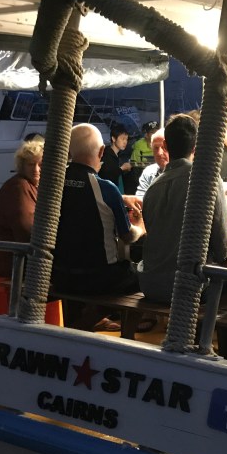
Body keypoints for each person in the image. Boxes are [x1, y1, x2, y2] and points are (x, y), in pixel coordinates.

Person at [51, 124, 144, 328]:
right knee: (144, 276)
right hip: (99, 277)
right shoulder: (106, 188)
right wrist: (140, 226)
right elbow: (127, 236)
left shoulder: (53, 184)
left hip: (60, 275)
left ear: (69, 152)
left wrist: (121, 198)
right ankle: (125, 333)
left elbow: (80, 196)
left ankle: (83, 322)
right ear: (101, 151)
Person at [138, 114, 227, 303]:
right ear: (196, 148)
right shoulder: (207, 179)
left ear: (165, 146)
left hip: (149, 284)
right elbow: (222, 247)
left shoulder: (152, 188)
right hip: (187, 288)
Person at [0, 139, 43, 277]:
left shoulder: (31, 187)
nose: (36, 170)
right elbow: (26, 230)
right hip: (10, 261)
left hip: (14, 258)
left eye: (40, 164)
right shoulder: (19, 187)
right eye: (31, 164)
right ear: (22, 166)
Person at [135, 128, 169, 197]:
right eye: (156, 148)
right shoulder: (148, 172)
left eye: (164, 147)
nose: (160, 153)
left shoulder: (186, 172)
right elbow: (140, 199)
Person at [98, 123, 132, 193]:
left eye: (126, 139)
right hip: (107, 191)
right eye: (122, 139)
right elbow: (107, 175)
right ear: (113, 139)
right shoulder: (106, 154)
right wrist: (122, 168)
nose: (125, 142)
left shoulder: (116, 154)